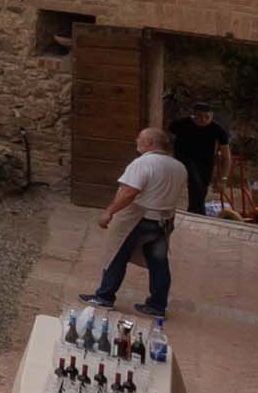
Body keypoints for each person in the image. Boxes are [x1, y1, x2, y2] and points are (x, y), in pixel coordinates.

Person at [83, 126, 189, 319]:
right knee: (159, 263)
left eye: (140, 138)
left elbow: (130, 192)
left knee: (116, 255)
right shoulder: (179, 167)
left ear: (149, 142)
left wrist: (109, 212)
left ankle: (104, 296)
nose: (136, 140)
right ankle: (157, 305)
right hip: (163, 220)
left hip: (138, 218)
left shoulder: (143, 163)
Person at [166, 103, 227, 218]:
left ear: (212, 116)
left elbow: (226, 157)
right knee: (195, 180)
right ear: (193, 115)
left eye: (207, 117)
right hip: (183, 158)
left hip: (205, 163)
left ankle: (195, 214)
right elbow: (166, 138)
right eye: (199, 116)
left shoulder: (218, 130)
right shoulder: (180, 124)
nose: (203, 120)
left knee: (200, 190)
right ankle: (199, 214)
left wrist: (223, 179)